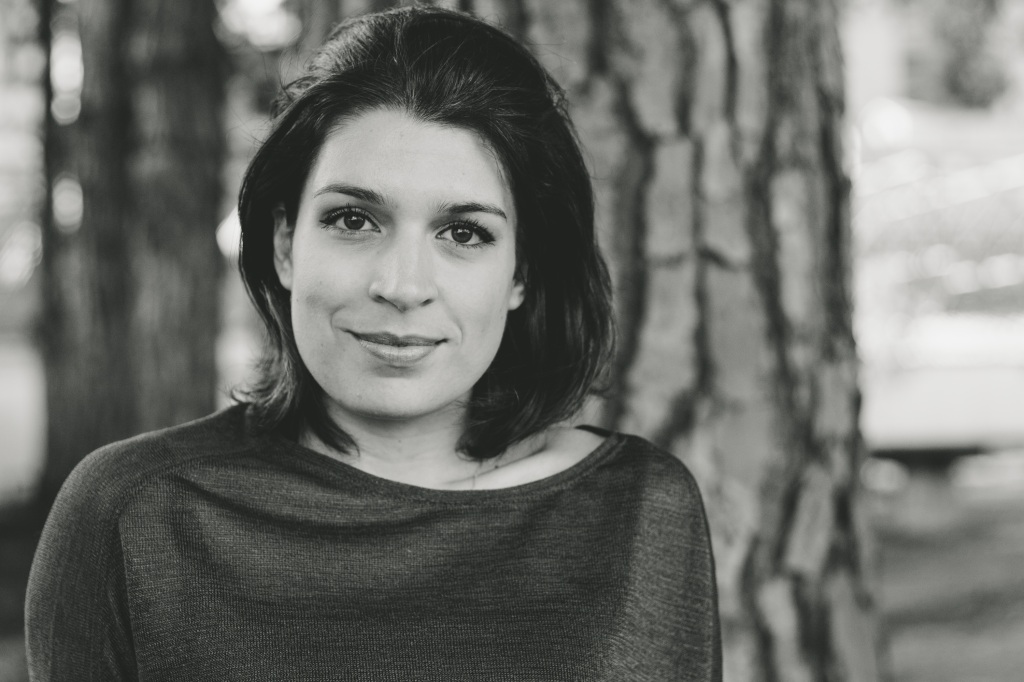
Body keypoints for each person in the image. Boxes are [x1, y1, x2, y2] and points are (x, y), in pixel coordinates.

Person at [25, 6, 721, 680]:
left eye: (464, 233)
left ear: (521, 274)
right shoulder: (135, 511)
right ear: (285, 243)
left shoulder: (639, 512)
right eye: (354, 220)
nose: (402, 285)